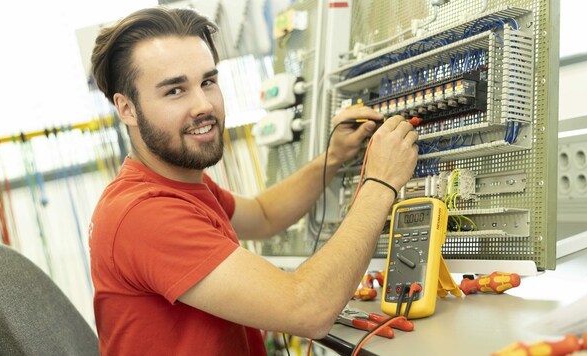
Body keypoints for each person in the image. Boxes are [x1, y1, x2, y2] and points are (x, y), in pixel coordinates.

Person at [88, 6, 418, 355]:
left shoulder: (175, 185)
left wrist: (332, 157)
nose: (204, 105)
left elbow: (264, 215)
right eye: (175, 91)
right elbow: (308, 309)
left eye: (208, 82)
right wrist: (381, 183)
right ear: (126, 109)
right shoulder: (143, 213)